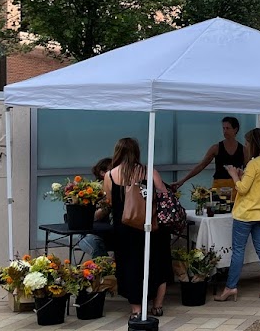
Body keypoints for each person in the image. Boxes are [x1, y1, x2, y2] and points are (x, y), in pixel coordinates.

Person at [103, 137, 172, 319]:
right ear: (136, 152)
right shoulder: (149, 172)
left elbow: (109, 201)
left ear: (117, 152)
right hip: (149, 227)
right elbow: (165, 196)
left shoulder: (110, 176)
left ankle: (136, 309)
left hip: (124, 229)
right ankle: (157, 305)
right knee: (157, 263)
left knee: (130, 266)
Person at [215, 128, 260, 301]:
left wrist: (234, 175)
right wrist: (242, 176)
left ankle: (230, 287)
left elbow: (242, 189)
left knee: (238, 251)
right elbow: (258, 185)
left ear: (253, 144)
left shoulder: (254, 163)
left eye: (248, 142)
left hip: (245, 214)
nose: (246, 146)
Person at [173, 117, 245, 191]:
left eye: (228, 128)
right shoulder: (216, 148)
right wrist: (183, 180)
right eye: (223, 128)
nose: (225, 131)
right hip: (219, 185)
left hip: (236, 186)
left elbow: (248, 170)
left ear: (235, 129)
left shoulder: (243, 149)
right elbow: (201, 165)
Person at [77, 157, 113, 259]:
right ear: (103, 173)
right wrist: (109, 204)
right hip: (90, 234)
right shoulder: (92, 192)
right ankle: (105, 270)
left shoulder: (121, 188)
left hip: (112, 233)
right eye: (113, 170)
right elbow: (92, 217)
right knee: (95, 243)